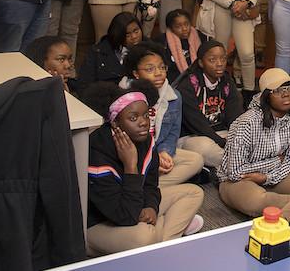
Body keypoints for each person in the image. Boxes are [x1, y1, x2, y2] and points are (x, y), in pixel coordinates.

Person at [82, 80, 204, 256]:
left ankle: (161, 248)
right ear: (115, 123)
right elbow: (125, 216)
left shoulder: (144, 139)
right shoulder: (96, 154)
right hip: (99, 225)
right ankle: (165, 236)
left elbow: (150, 185)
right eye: (133, 118)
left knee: (193, 193)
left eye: (146, 115)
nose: (143, 123)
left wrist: (151, 207)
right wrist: (130, 165)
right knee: (144, 236)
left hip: (133, 205)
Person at [217, 68, 290, 222]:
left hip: (275, 176)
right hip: (238, 183)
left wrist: (266, 177)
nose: (286, 94)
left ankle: (284, 215)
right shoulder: (247, 122)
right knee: (258, 200)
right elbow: (236, 171)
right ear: (266, 96)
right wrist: (276, 161)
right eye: (278, 91)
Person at [122, 41, 204, 187]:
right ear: (136, 73)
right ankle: (144, 186)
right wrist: (152, 158)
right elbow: (123, 141)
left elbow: (173, 133)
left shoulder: (174, 96)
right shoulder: (125, 97)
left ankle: (148, 186)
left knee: (196, 161)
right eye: (150, 69)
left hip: (157, 151)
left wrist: (165, 153)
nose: (158, 73)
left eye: (161, 67)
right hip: (133, 156)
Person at [174, 40, 245, 168]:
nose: (219, 64)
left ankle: (233, 167)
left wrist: (237, 137)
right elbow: (196, 123)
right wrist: (222, 142)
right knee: (204, 147)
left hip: (221, 133)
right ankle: (240, 165)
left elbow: (235, 114)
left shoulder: (226, 81)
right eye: (212, 60)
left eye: (223, 59)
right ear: (201, 63)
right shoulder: (188, 85)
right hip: (193, 136)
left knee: (246, 139)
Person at [75, 11, 143, 94]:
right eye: (127, 35)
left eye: (136, 31)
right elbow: (84, 86)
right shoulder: (98, 52)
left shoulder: (151, 50)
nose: (134, 37)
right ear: (118, 35)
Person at [155, 9, 204, 83]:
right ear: (171, 28)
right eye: (178, 26)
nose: (184, 29)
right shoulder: (162, 41)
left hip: (198, 79)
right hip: (173, 81)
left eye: (186, 24)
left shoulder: (198, 36)